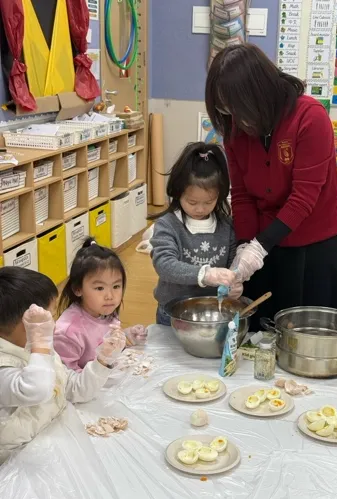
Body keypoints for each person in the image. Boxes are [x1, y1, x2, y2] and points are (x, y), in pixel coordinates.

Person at [205, 43, 337, 331]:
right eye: (226, 110)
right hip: (266, 237)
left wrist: (258, 248)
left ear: (260, 93)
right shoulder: (235, 130)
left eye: (238, 108)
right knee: (262, 326)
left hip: (315, 240)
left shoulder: (310, 117)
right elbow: (242, 195)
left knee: (311, 328)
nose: (236, 119)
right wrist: (244, 246)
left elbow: (303, 198)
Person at [0, 267, 125, 463]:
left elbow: (71, 388)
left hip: (51, 440)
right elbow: (35, 390)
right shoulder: (8, 364)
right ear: (27, 324)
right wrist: (40, 344)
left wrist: (102, 361)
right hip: (17, 464)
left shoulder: (37, 347)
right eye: (48, 317)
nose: (55, 324)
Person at [150, 142, 241, 325]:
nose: (200, 209)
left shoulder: (226, 226)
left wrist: (235, 282)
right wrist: (204, 274)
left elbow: (233, 264)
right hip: (172, 313)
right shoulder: (168, 225)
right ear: (178, 193)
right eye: (192, 202)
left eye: (209, 202)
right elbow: (164, 264)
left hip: (213, 313)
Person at [54, 238, 147, 372]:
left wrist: (127, 335)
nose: (110, 296)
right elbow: (66, 377)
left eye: (116, 286)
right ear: (77, 289)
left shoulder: (104, 310)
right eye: (99, 288)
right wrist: (101, 372)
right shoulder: (67, 332)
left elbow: (104, 338)